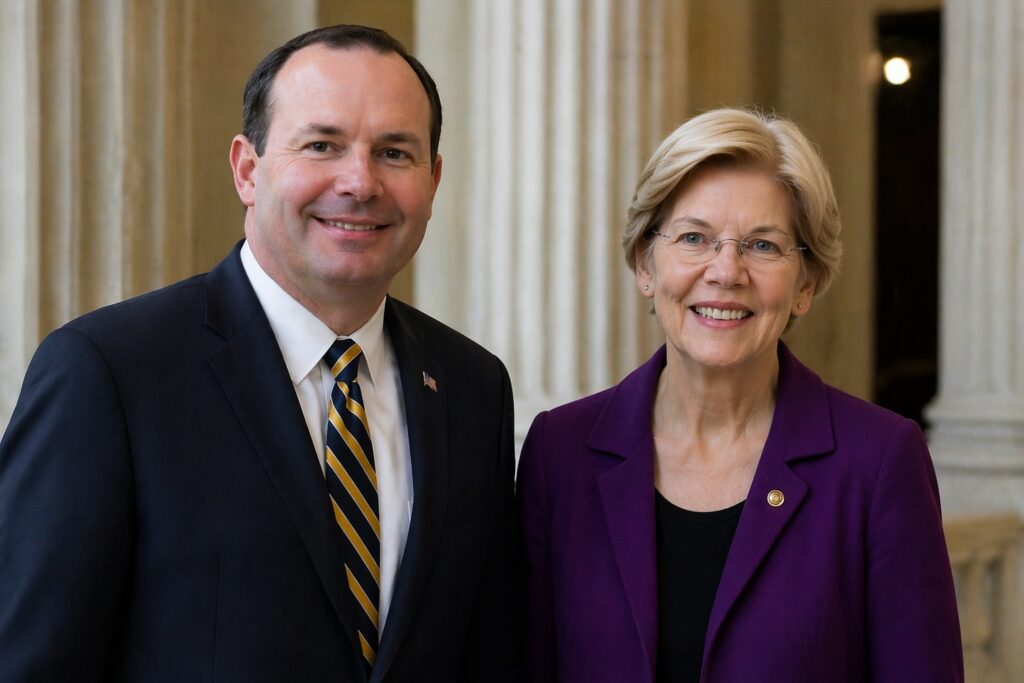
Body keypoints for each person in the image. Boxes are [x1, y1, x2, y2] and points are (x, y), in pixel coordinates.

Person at [0, 25, 519, 682]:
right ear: (248, 170)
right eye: (322, 145)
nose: (360, 182)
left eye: (394, 152)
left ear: (434, 180)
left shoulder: (471, 387)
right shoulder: (109, 373)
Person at [517, 108, 963, 682]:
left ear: (806, 284)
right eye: (694, 238)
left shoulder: (879, 462)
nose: (726, 271)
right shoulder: (560, 452)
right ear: (645, 264)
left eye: (762, 245)